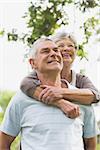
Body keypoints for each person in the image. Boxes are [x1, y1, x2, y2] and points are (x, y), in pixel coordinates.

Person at [0, 37, 85, 150]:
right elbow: (3, 143)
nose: (54, 54)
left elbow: (90, 144)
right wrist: (60, 102)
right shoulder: (21, 99)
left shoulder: (80, 97)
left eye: (56, 50)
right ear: (32, 63)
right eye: (46, 51)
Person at [20, 32, 100, 150]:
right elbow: (25, 85)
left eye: (70, 46)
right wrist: (60, 103)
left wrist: (60, 92)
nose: (66, 49)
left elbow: (95, 96)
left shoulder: (81, 80)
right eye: (60, 46)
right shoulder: (35, 77)